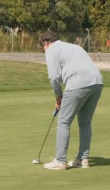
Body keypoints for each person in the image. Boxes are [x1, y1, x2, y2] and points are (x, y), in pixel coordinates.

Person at [40, 31, 104, 170]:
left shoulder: (51, 50)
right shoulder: (74, 46)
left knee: (64, 121)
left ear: (46, 43)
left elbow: (54, 77)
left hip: (77, 83)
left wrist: (58, 97)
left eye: (43, 47)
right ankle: (83, 159)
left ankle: (60, 160)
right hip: (97, 82)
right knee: (85, 122)